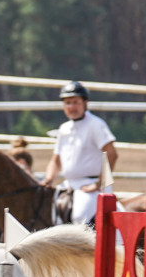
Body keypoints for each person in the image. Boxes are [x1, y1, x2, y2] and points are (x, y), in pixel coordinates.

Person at [42, 81, 119, 225]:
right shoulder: (64, 128)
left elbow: (112, 153)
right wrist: (48, 179)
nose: (71, 107)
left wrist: (99, 183)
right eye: (68, 103)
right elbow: (56, 159)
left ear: (85, 103)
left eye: (76, 102)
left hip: (92, 185)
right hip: (69, 186)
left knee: (79, 216)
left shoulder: (96, 124)